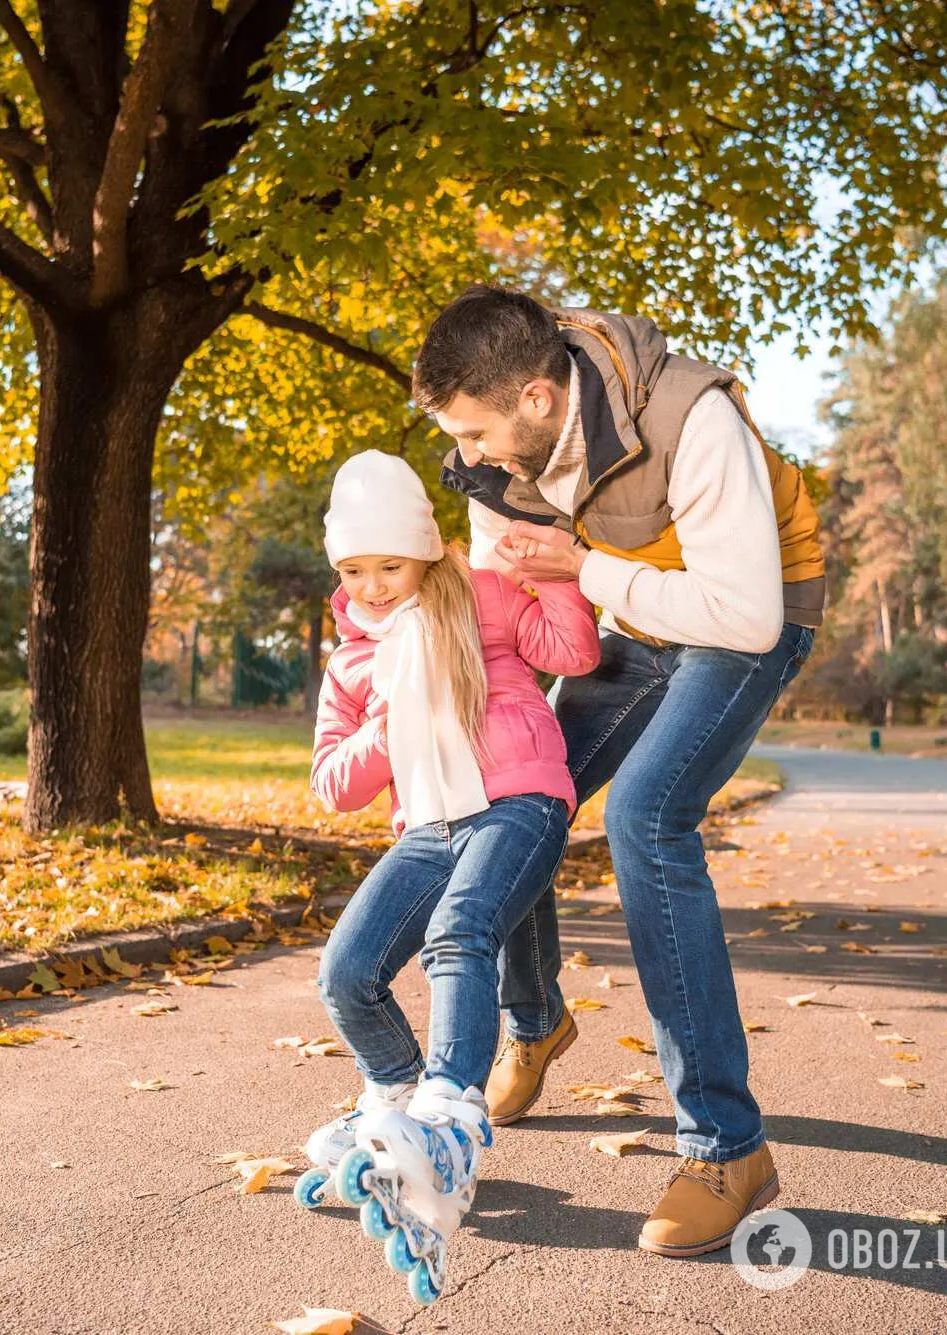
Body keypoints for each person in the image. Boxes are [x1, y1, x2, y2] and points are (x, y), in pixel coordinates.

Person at [411, 285, 825, 1258]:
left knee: (645, 818)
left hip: (745, 618)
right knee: (512, 795)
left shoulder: (692, 416)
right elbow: (504, 610)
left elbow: (743, 617)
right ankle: (535, 1020)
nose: (463, 456)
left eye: (473, 431)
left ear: (537, 401)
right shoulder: (493, 464)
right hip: (629, 619)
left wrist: (580, 571)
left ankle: (726, 1147)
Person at [295, 449, 600, 1302]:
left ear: (426, 552)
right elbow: (331, 783)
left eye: (390, 564)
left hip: (519, 801)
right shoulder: (353, 662)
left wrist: (550, 571)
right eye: (355, 569)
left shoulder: (483, 593)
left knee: (457, 933)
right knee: (346, 973)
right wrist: (387, 717)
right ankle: (393, 1098)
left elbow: (573, 650)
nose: (375, 584)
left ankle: (449, 1117)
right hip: (426, 824)